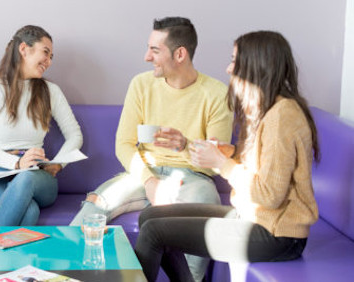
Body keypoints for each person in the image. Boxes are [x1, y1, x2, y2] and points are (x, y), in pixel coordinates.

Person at [134, 30, 320, 282]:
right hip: (253, 217)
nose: (229, 68)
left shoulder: (282, 116)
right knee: (149, 217)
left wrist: (223, 164)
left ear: (256, 65)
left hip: (276, 234)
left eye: (234, 60)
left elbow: (270, 195)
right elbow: (265, 166)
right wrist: (228, 153)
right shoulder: (268, 109)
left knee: (154, 232)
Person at [70, 17, 233, 280]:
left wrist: (185, 145)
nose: (147, 57)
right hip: (142, 172)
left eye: (155, 50)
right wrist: (149, 182)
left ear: (180, 54)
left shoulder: (216, 94)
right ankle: (69, 274)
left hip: (193, 179)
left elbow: (216, 161)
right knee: (93, 209)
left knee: (205, 216)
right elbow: (123, 144)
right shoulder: (141, 85)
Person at [0, 25, 83, 226]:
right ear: (24, 49)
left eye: (51, 57)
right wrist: (15, 164)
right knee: (29, 211)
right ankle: (15, 257)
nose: (48, 62)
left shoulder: (51, 91)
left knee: (26, 178)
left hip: (36, 175)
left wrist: (59, 163)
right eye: (45, 53)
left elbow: (75, 135)